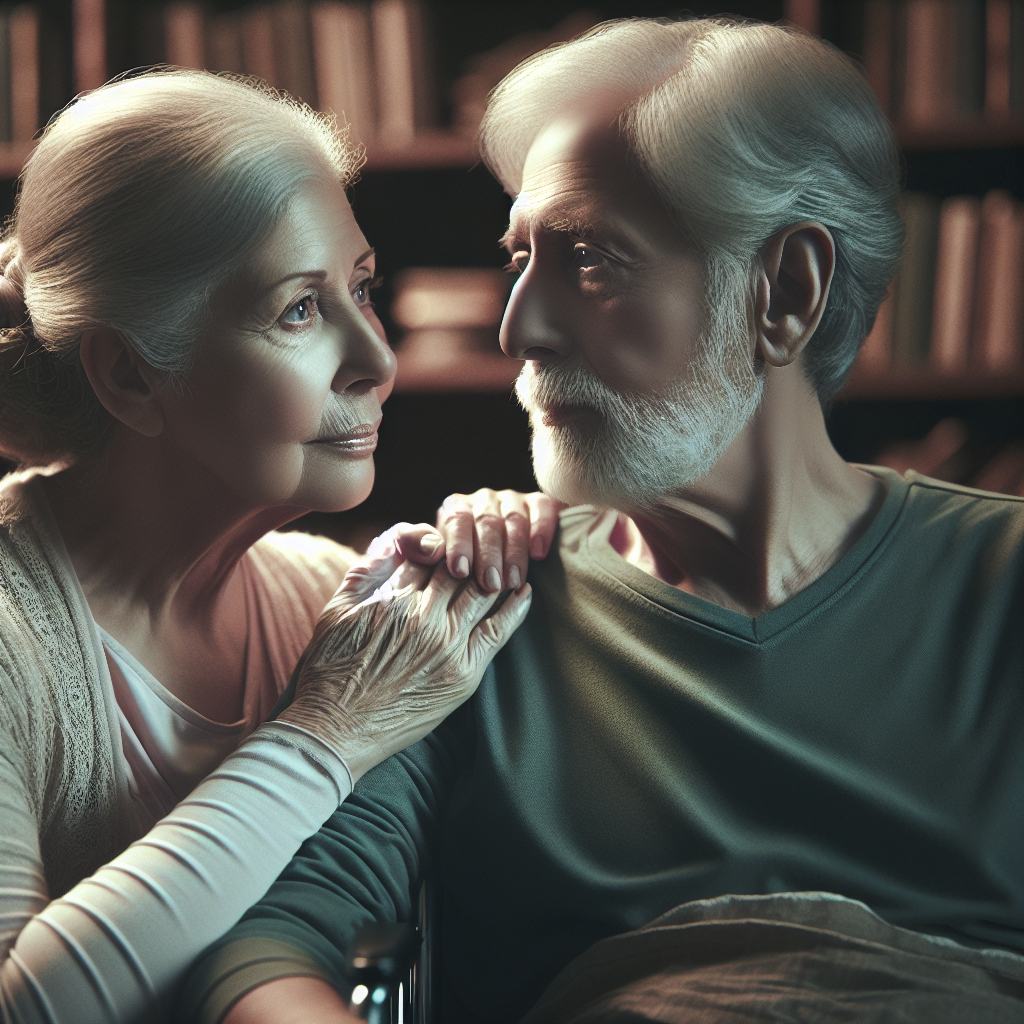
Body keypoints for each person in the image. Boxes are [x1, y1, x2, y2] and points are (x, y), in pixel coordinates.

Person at [179, 17, 1024, 1024]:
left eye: (591, 258)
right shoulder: (468, 611)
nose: (518, 327)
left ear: (786, 291)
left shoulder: (1001, 581)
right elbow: (265, 948)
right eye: (520, 256)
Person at [0, 69, 559, 1024]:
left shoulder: (328, 603)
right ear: (131, 375)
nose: (379, 360)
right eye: (299, 309)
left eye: (362, 288)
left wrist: (506, 555)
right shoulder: (16, 631)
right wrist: (327, 734)